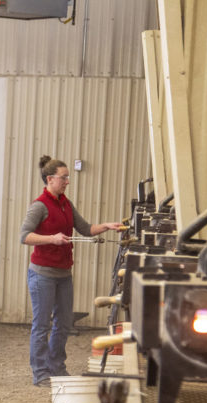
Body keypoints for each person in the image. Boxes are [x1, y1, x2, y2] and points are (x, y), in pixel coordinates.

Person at [20, 155, 125, 387]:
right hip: (42, 275)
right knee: (42, 325)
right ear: (50, 179)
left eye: (67, 177)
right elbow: (24, 236)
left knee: (64, 323)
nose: (67, 181)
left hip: (63, 274)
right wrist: (51, 239)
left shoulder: (66, 204)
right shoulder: (39, 206)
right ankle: (40, 372)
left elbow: (86, 229)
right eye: (63, 177)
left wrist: (106, 226)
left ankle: (57, 367)